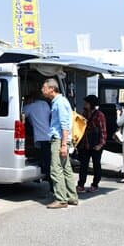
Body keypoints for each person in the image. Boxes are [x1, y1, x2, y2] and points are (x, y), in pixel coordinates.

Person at [41, 78, 77, 208]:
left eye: (44, 88)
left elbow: (64, 125)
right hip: (62, 139)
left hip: (59, 139)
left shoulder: (59, 103)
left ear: (51, 89)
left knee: (55, 169)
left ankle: (61, 199)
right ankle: (72, 196)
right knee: (66, 168)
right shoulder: (60, 101)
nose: (42, 90)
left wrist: (63, 144)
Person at [77, 95, 106, 193]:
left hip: (96, 145)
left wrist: (101, 144)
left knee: (96, 165)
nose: (85, 104)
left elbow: (103, 131)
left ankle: (95, 185)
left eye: (86, 103)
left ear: (91, 104)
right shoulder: (84, 113)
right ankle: (81, 185)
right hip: (85, 144)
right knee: (83, 165)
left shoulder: (99, 115)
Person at [23, 92, 52, 191]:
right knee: (50, 161)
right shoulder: (44, 104)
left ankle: (52, 186)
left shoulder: (29, 107)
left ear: (29, 100)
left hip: (41, 137)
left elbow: (21, 116)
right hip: (50, 136)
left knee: (47, 164)